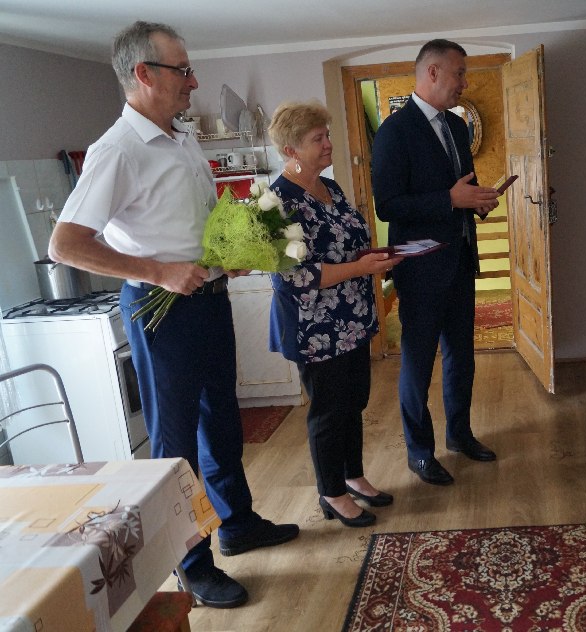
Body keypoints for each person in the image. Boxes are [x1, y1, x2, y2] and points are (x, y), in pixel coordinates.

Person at [48, 21, 298, 609]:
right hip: (162, 311)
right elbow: (65, 244)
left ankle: (237, 523)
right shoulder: (118, 149)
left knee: (223, 423)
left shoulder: (181, 137)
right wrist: (158, 272)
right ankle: (191, 565)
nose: (194, 80)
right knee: (175, 443)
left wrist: (228, 255)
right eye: (183, 70)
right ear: (143, 74)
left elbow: (188, 224)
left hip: (208, 300)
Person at [371, 39, 500, 486]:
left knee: (461, 357)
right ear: (432, 73)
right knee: (419, 363)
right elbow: (388, 205)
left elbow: (464, 186)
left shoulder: (458, 126)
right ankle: (419, 453)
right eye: (459, 73)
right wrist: (449, 199)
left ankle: (460, 435)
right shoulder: (394, 131)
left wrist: (477, 201)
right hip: (421, 269)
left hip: (460, 260)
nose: (464, 82)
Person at [266, 100, 400, 527]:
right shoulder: (275, 203)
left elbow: (348, 243)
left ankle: (352, 475)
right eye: (317, 139)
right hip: (315, 328)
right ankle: (332, 492)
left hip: (351, 317)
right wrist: (361, 268)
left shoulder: (331, 187)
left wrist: (375, 258)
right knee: (328, 410)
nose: (328, 144)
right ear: (290, 150)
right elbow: (297, 276)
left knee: (353, 402)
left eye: (327, 135)